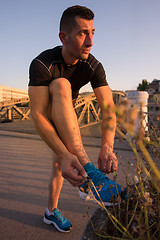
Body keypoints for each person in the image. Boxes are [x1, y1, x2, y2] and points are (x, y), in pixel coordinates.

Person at [28, 5, 122, 233]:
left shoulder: (92, 64)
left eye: (92, 33)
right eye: (82, 34)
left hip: (66, 113)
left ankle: (51, 212)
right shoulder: (42, 64)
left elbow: (108, 109)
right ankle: (90, 175)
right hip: (49, 113)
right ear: (63, 37)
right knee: (61, 83)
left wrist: (107, 148)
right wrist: (63, 151)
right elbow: (38, 114)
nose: (90, 41)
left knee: (60, 166)